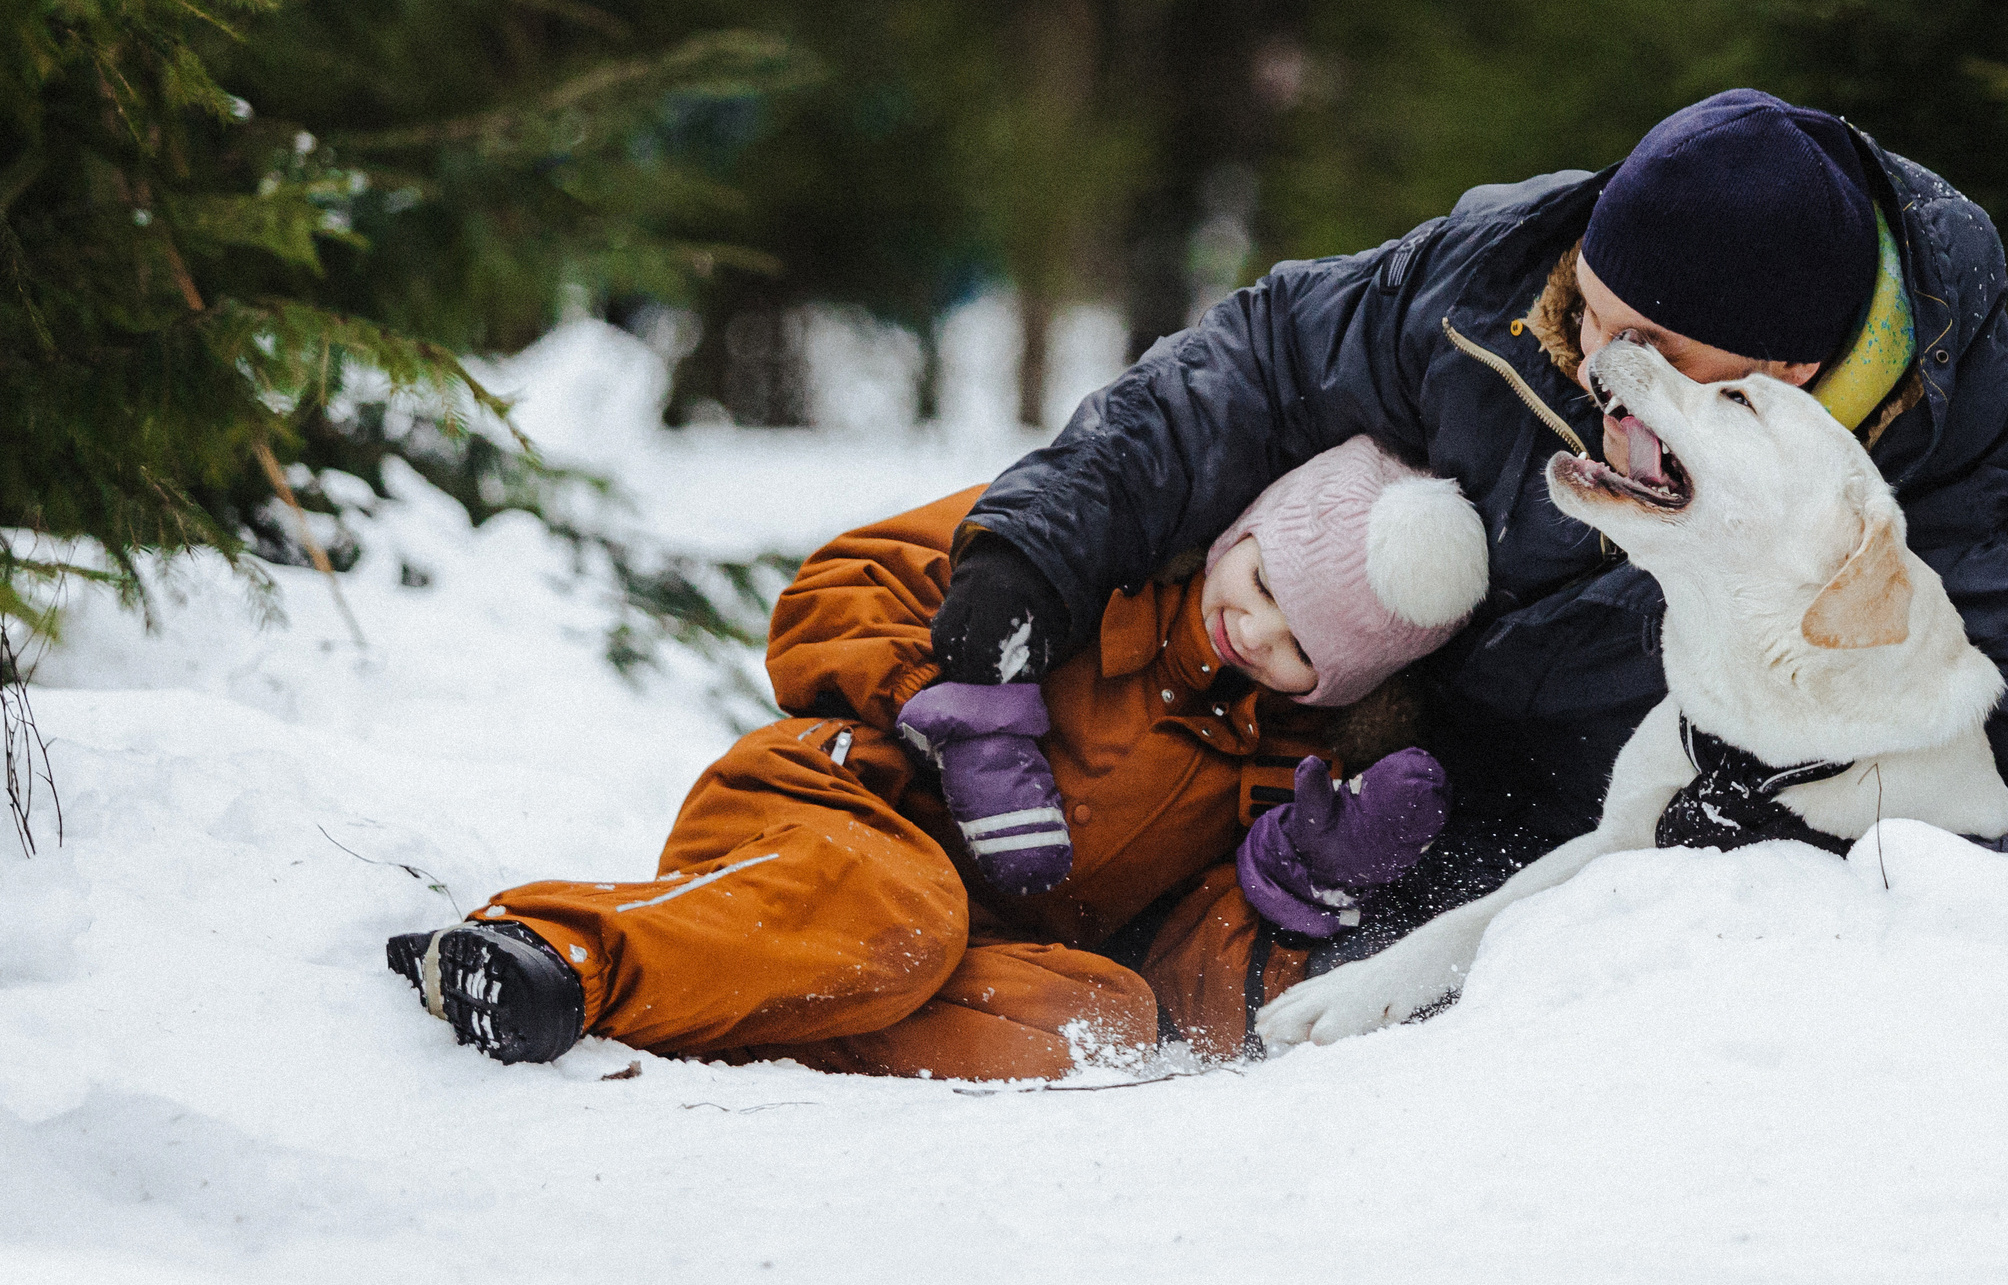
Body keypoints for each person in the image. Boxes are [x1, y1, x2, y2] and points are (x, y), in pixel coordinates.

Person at [935, 88, 2008, 960]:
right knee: (951, 574)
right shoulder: (1500, 270)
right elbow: (1256, 363)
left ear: (1785, 373)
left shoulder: (1912, 480)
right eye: (1588, 308)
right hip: (1295, 640)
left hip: (1510, 837)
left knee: (1184, 969)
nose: (1592, 360)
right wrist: (1030, 551)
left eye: (1644, 346)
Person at [387, 437, 1490, 1074]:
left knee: (1107, 1024)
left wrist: (1292, 885)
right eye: (1259, 590)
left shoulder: (1265, 769)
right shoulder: (1091, 558)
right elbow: (831, 593)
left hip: (954, 942)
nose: (1256, 635)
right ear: (1239, 534)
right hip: (830, 809)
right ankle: (553, 953)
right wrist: (951, 700)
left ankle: (736, 1004)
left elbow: (1191, 1013)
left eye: (1300, 650)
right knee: (902, 915)